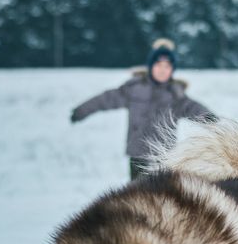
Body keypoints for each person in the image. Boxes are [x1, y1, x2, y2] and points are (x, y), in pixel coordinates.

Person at [70, 38, 213, 180]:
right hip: (138, 155)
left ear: (172, 70)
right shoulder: (134, 89)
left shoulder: (175, 94)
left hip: (164, 156)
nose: (162, 70)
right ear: (151, 66)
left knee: (162, 197)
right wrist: (81, 111)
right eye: (158, 65)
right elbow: (106, 99)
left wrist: (211, 119)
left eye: (167, 66)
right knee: (137, 195)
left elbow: (192, 107)